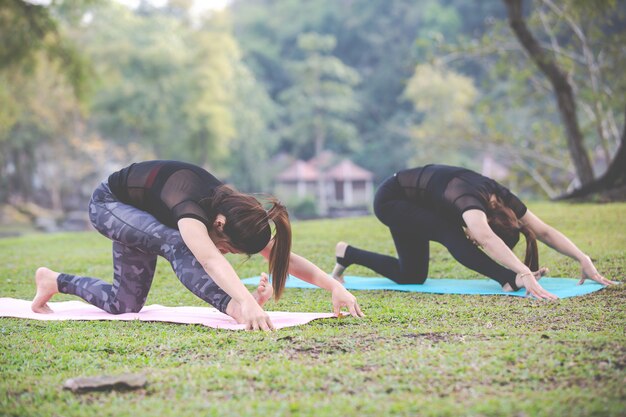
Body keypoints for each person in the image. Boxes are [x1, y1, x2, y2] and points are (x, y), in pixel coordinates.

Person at [32, 160, 363, 330]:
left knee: (124, 304)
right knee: (178, 243)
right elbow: (208, 260)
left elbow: (279, 256)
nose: (227, 254)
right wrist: (244, 304)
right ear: (219, 224)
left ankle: (54, 281)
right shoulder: (190, 207)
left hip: (141, 216)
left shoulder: (233, 211)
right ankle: (235, 312)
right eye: (230, 248)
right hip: (107, 205)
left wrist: (332, 285)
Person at [331, 164, 615, 299]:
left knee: (412, 276)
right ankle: (506, 280)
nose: (476, 242)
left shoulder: (503, 200)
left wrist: (582, 258)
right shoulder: (468, 201)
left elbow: (544, 231)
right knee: (448, 231)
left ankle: (348, 253)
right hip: (392, 200)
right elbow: (486, 238)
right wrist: (521, 273)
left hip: (418, 203)